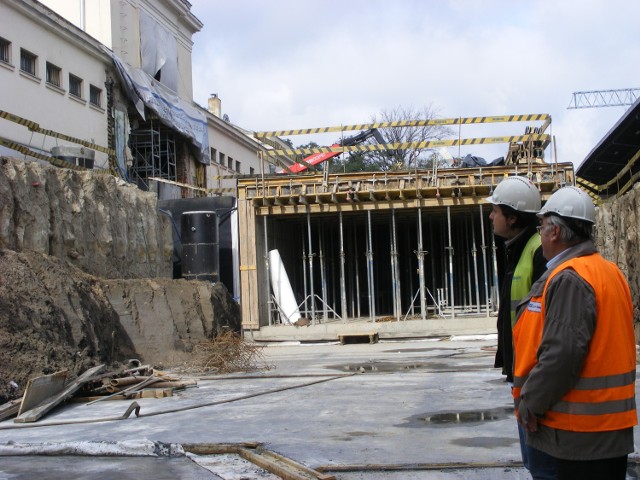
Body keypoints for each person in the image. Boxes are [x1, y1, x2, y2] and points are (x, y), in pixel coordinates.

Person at [513, 186, 637, 480]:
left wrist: (530, 403)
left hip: (580, 433)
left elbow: (562, 355)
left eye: (542, 226)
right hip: (607, 429)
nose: (540, 233)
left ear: (555, 232)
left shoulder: (570, 278)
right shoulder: (609, 271)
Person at [486, 176, 556, 478]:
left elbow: (549, 324)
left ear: (512, 217)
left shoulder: (537, 251)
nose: (491, 217)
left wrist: (536, 386)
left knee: (543, 466)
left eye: (496, 211)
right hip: (524, 374)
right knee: (534, 463)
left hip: (535, 378)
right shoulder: (518, 249)